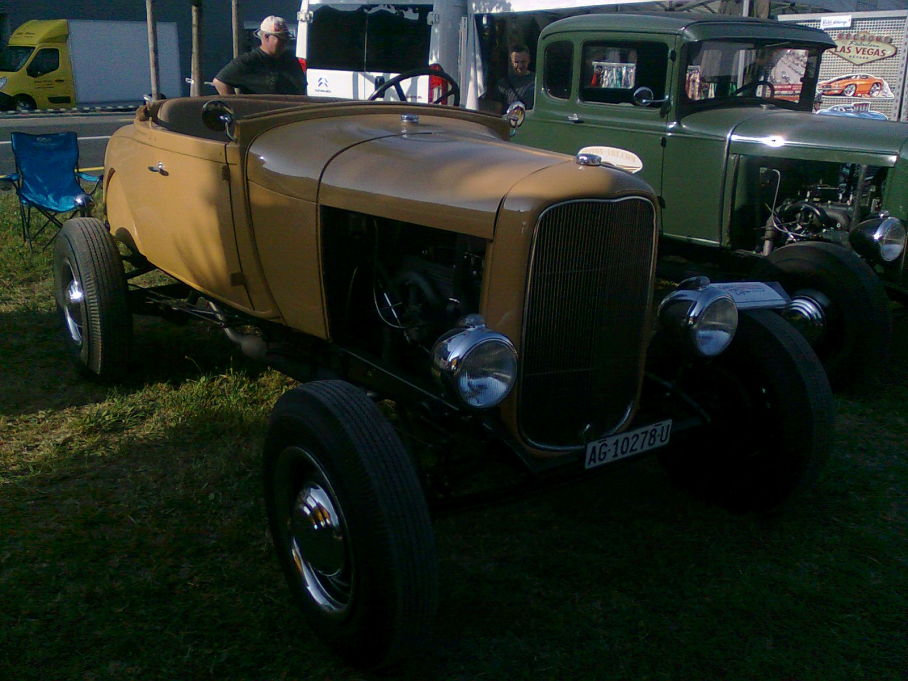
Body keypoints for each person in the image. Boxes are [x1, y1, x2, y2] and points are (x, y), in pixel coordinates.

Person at [212, 16, 306, 95]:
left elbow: (301, 86)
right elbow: (220, 81)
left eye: (286, 37)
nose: (285, 41)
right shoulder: (249, 60)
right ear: (266, 37)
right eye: (280, 37)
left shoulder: (290, 59)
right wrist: (236, 105)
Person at [496, 44, 535, 109]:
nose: (520, 66)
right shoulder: (503, 84)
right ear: (511, 62)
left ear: (529, 60)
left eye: (523, 62)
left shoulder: (537, 82)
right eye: (516, 62)